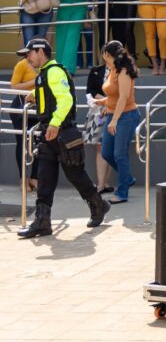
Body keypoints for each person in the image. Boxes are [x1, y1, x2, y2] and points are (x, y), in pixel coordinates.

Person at [18, 38, 109, 238]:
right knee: (45, 178)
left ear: (40, 51)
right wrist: (35, 93)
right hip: (49, 134)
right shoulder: (46, 74)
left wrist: (54, 123)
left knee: (75, 175)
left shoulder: (54, 71)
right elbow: (51, 92)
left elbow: (65, 99)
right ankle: (42, 222)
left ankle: (99, 205)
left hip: (62, 132)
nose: (27, 58)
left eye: (29, 54)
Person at [93, 41, 141, 203]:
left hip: (126, 116)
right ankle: (126, 177)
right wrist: (103, 102)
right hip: (113, 114)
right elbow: (114, 95)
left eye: (104, 53)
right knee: (107, 152)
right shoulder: (112, 70)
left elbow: (124, 97)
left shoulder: (124, 71)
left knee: (120, 154)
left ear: (107, 54)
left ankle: (122, 192)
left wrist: (114, 120)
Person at [7, 44, 40, 189]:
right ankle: (23, 179)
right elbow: (13, 87)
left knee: (39, 143)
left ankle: (35, 178)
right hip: (21, 108)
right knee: (22, 143)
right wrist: (34, 82)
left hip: (38, 108)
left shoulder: (44, 66)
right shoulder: (22, 65)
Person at [84, 61, 111, 194]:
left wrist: (110, 103)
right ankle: (101, 184)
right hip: (98, 111)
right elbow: (91, 91)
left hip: (116, 110)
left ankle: (105, 182)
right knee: (100, 146)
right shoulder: (96, 70)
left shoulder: (122, 70)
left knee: (110, 147)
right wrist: (105, 101)